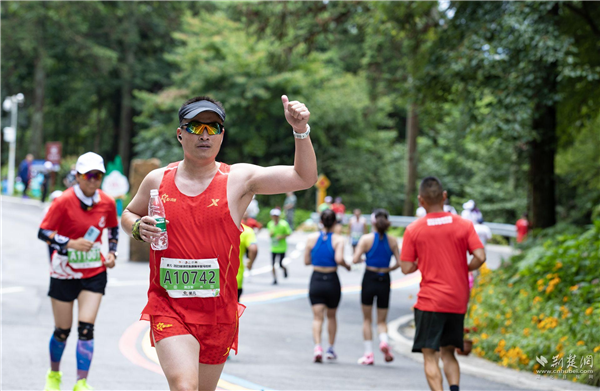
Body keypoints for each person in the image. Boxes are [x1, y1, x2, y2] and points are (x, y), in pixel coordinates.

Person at [121, 95, 317, 390]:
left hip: (217, 313)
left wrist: (300, 130)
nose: (204, 134)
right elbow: (128, 213)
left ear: (222, 135)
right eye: (195, 127)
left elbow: (304, 177)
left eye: (213, 128)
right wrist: (136, 227)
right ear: (180, 133)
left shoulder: (239, 179)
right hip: (169, 306)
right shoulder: (156, 180)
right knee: (184, 386)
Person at [38, 152, 118, 391]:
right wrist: (69, 243)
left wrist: (112, 253)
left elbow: (113, 230)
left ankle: (81, 382)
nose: (93, 180)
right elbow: (43, 232)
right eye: (88, 175)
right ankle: (54, 375)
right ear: (78, 176)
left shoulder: (107, 202)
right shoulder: (63, 200)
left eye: (98, 175)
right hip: (64, 271)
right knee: (62, 331)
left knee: (86, 329)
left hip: (94, 271)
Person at [400, 177, 486, 391]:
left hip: (431, 301)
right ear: (444, 196)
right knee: (448, 352)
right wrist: (464, 267)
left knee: (430, 355)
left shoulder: (414, 229)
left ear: (421, 201)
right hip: (457, 301)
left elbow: (406, 267)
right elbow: (480, 256)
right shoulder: (464, 225)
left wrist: (423, 261)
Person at [353, 209, 401, 365]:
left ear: (373, 222)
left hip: (369, 277)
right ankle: (384, 341)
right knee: (382, 320)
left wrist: (364, 261)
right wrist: (388, 270)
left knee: (367, 319)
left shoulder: (366, 239)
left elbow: (355, 259)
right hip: (384, 279)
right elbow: (399, 263)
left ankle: (368, 354)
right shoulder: (393, 240)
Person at [304, 209, 351, 363]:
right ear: (335, 222)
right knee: (331, 316)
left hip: (316, 279)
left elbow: (306, 261)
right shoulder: (338, 239)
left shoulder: (311, 238)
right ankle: (330, 349)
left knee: (317, 318)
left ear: (321, 221)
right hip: (332, 280)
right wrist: (347, 265)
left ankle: (317, 347)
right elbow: (338, 259)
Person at [267, 208, 292, 284]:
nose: (275, 217)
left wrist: (281, 236)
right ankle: (275, 279)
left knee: (280, 264)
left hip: (282, 248)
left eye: (276, 216)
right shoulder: (270, 224)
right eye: (273, 216)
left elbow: (289, 233)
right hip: (273, 247)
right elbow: (269, 234)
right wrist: (270, 235)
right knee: (273, 264)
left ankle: (284, 269)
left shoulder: (284, 224)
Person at [237, 223, 258, 301]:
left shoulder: (215, 227)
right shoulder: (245, 230)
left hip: (211, 281)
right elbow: (253, 249)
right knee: (233, 310)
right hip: (235, 279)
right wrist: (250, 263)